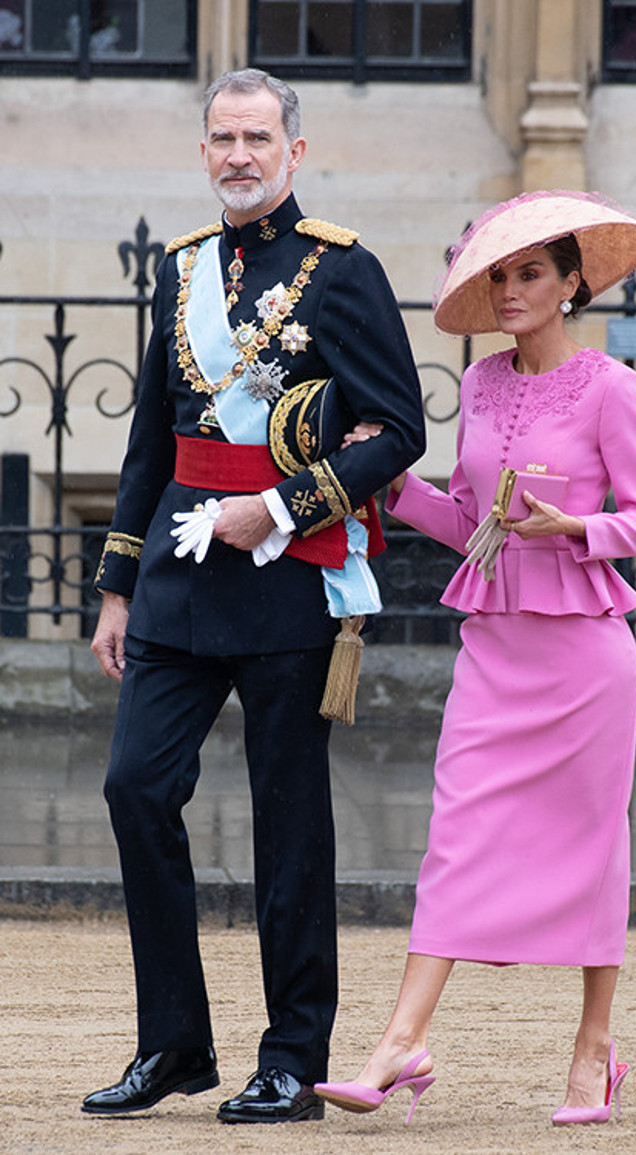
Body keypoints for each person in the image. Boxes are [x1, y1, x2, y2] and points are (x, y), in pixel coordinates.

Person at [82, 68, 425, 1124]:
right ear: (203, 152)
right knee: (136, 791)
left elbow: (400, 429)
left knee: (288, 829)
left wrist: (280, 509)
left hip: (288, 587)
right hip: (180, 589)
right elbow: (152, 439)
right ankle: (175, 1045)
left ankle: (290, 1058)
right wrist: (116, 587)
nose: (239, 155)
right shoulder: (181, 268)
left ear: (293, 150)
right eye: (222, 138)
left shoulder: (343, 269)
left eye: (257, 137)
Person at [314, 190, 636, 1127]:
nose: (511, 290)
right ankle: (399, 1041)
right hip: (494, 650)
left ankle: (594, 1051)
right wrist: (394, 484)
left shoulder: (611, 387)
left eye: (530, 274)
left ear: (570, 285)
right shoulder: (478, 385)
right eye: (500, 275)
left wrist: (576, 527)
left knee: (594, 850)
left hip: (586, 661)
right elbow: (473, 523)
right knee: (456, 837)